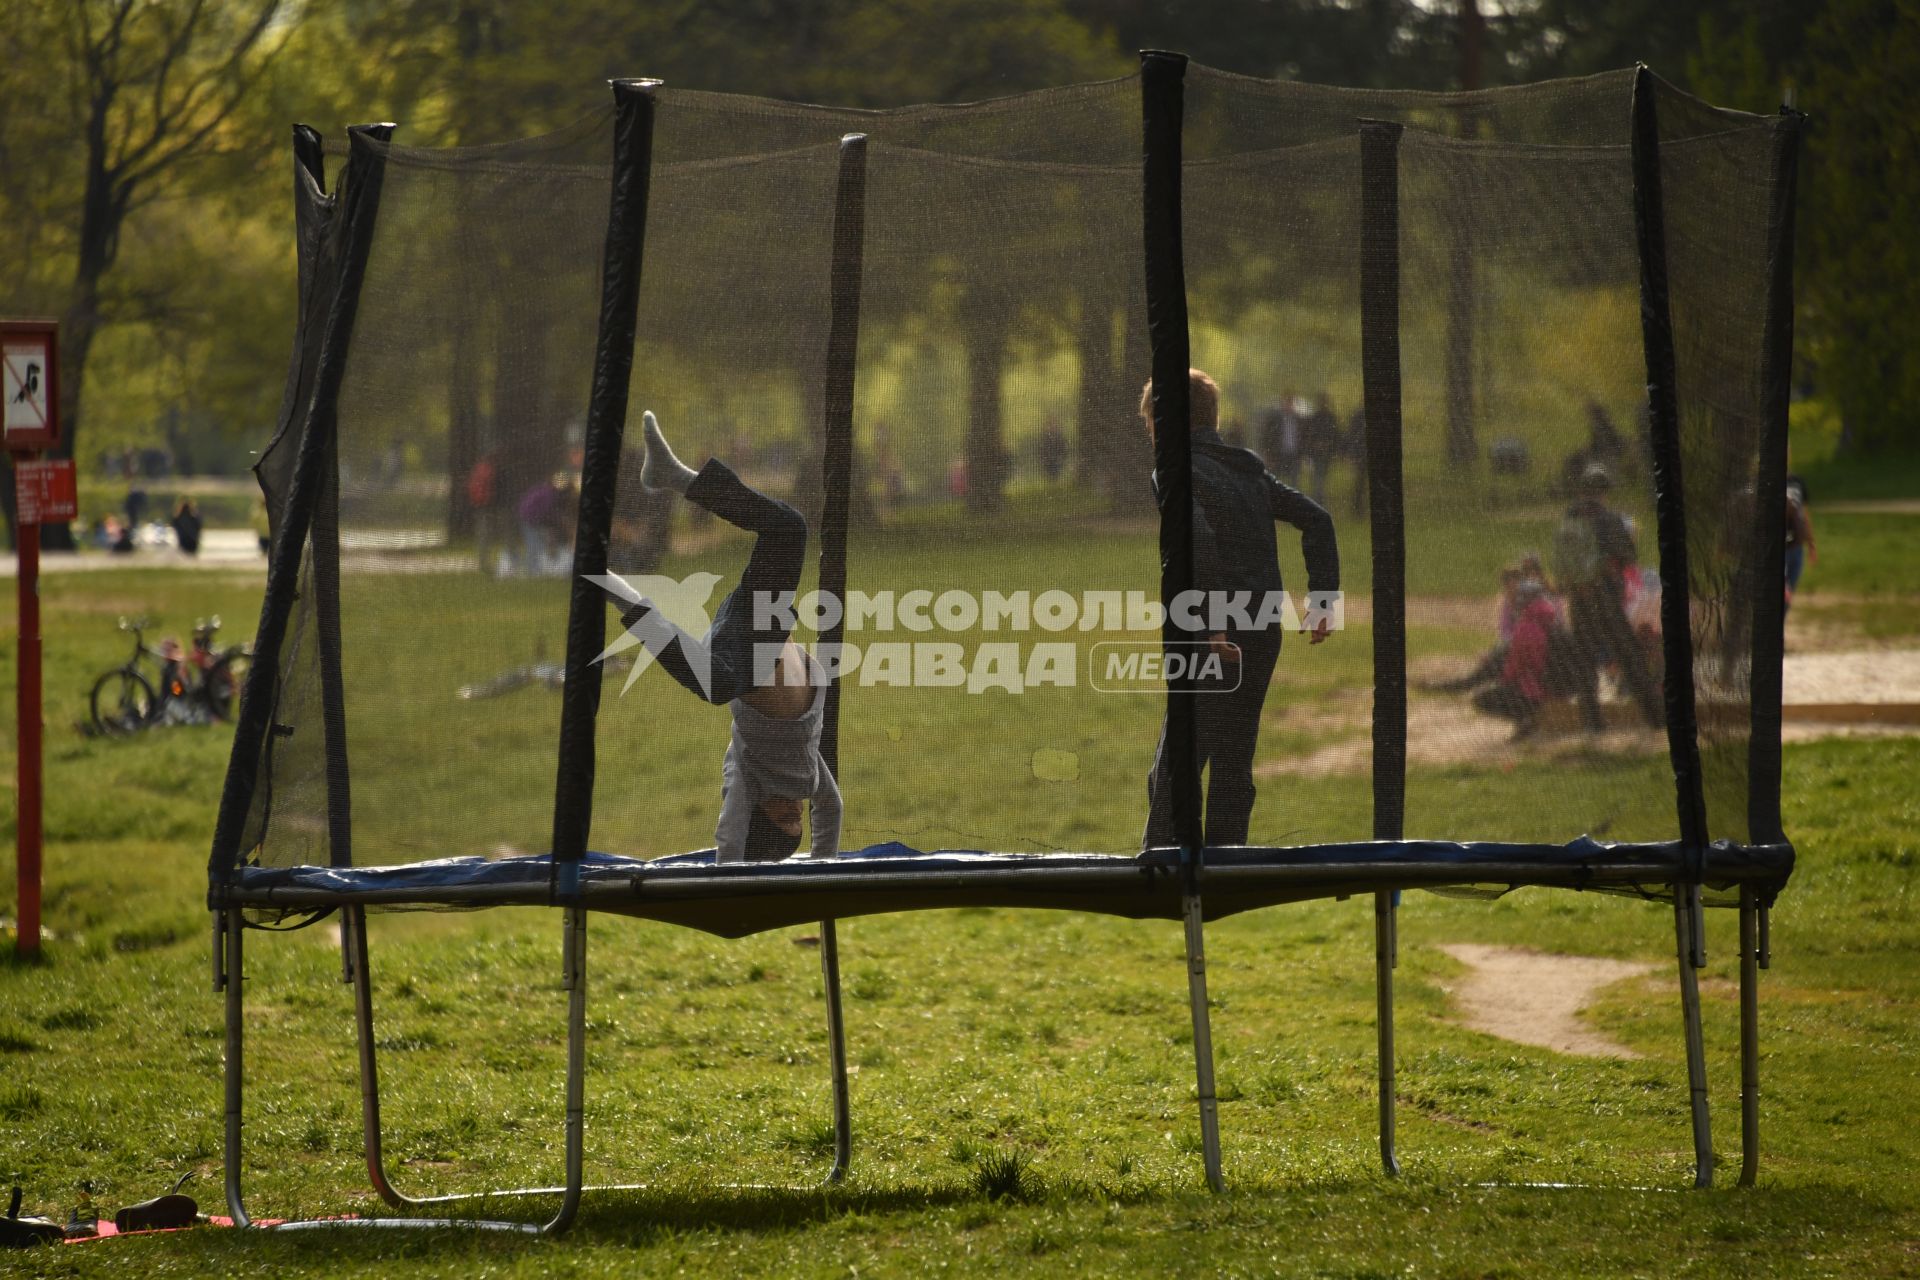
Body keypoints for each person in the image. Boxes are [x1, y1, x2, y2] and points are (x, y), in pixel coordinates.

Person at [601, 411, 841, 863]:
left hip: (741, 659)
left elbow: (729, 836)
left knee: (715, 686)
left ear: (756, 813)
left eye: (781, 818)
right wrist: (822, 868)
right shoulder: (809, 778)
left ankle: (626, 598)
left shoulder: (747, 776)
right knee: (788, 529)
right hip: (758, 624)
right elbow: (831, 808)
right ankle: (678, 477)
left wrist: (729, 876)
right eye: (797, 820)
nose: (793, 809)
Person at [1141, 369, 1339, 850]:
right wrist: (1323, 601)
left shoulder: (1175, 471)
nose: (1149, 433)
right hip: (1263, 629)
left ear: (1164, 421)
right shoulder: (1247, 469)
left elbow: (1199, 543)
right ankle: (1227, 870)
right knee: (1233, 763)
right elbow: (1317, 518)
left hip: (1211, 631)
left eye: (1149, 423)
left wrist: (1211, 627)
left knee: (1175, 766)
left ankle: (1163, 870)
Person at [1552, 462, 1662, 731]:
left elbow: (1562, 561)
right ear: (1604, 491)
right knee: (1630, 656)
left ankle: (1593, 724)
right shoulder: (1609, 519)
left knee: (1585, 660)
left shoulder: (1570, 519)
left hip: (1579, 599)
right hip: (1605, 598)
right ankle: (1655, 719)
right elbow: (1628, 558)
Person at [1784, 473, 1816, 613]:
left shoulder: (1797, 481)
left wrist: (1811, 543)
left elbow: (1805, 514)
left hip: (1796, 545)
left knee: (1790, 589)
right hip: (1780, 548)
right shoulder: (1765, 478)